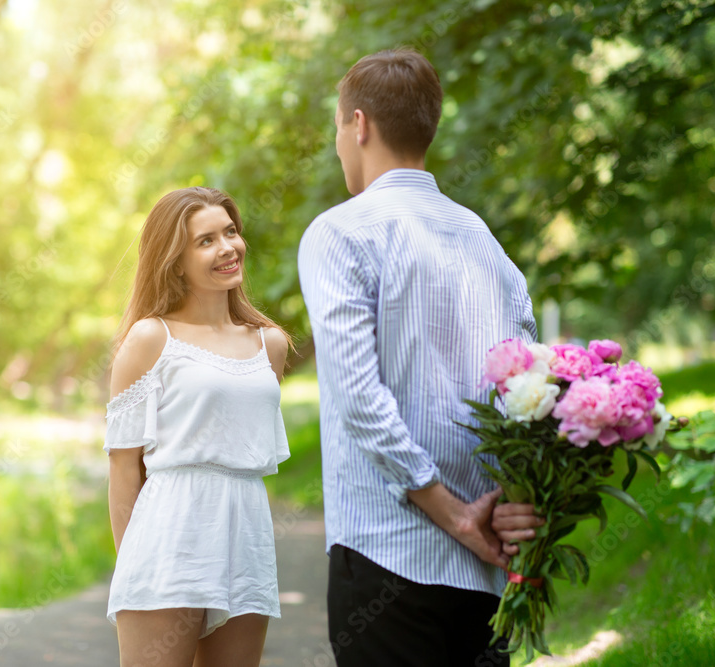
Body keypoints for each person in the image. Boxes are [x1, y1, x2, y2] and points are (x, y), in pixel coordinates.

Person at [297, 48, 544, 666]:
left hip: (388, 552)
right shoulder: (486, 244)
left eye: (337, 129)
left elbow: (357, 394)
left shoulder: (339, 232)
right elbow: (529, 397)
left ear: (358, 125)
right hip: (484, 573)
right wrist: (509, 504)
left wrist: (454, 513)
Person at [103, 186, 293, 667]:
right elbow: (125, 469)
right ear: (175, 261)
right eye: (205, 241)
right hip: (169, 540)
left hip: (246, 536)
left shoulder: (268, 344)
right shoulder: (150, 339)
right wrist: (133, 567)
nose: (228, 247)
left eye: (230, 232)